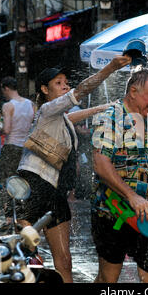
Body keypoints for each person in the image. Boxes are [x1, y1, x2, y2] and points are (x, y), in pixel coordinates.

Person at [16, 55, 131, 283]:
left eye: (65, 81)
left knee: (65, 260)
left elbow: (71, 117)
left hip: (55, 191)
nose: (65, 85)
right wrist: (109, 68)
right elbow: (79, 93)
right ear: (44, 90)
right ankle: (24, 258)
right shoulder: (48, 110)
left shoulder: (60, 118)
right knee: (27, 252)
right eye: (58, 83)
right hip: (35, 183)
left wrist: (105, 107)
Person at [91, 67, 148, 283]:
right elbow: (101, 164)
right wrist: (131, 196)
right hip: (114, 212)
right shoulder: (110, 118)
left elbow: (138, 160)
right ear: (133, 91)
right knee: (108, 278)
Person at [0, 76, 35, 225]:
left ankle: (8, 218)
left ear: (6, 88)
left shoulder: (8, 106)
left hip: (11, 146)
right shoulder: (30, 104)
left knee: (8, 180)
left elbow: (6, 129)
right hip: (26, 148)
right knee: (23, 180)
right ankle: (23, 215)